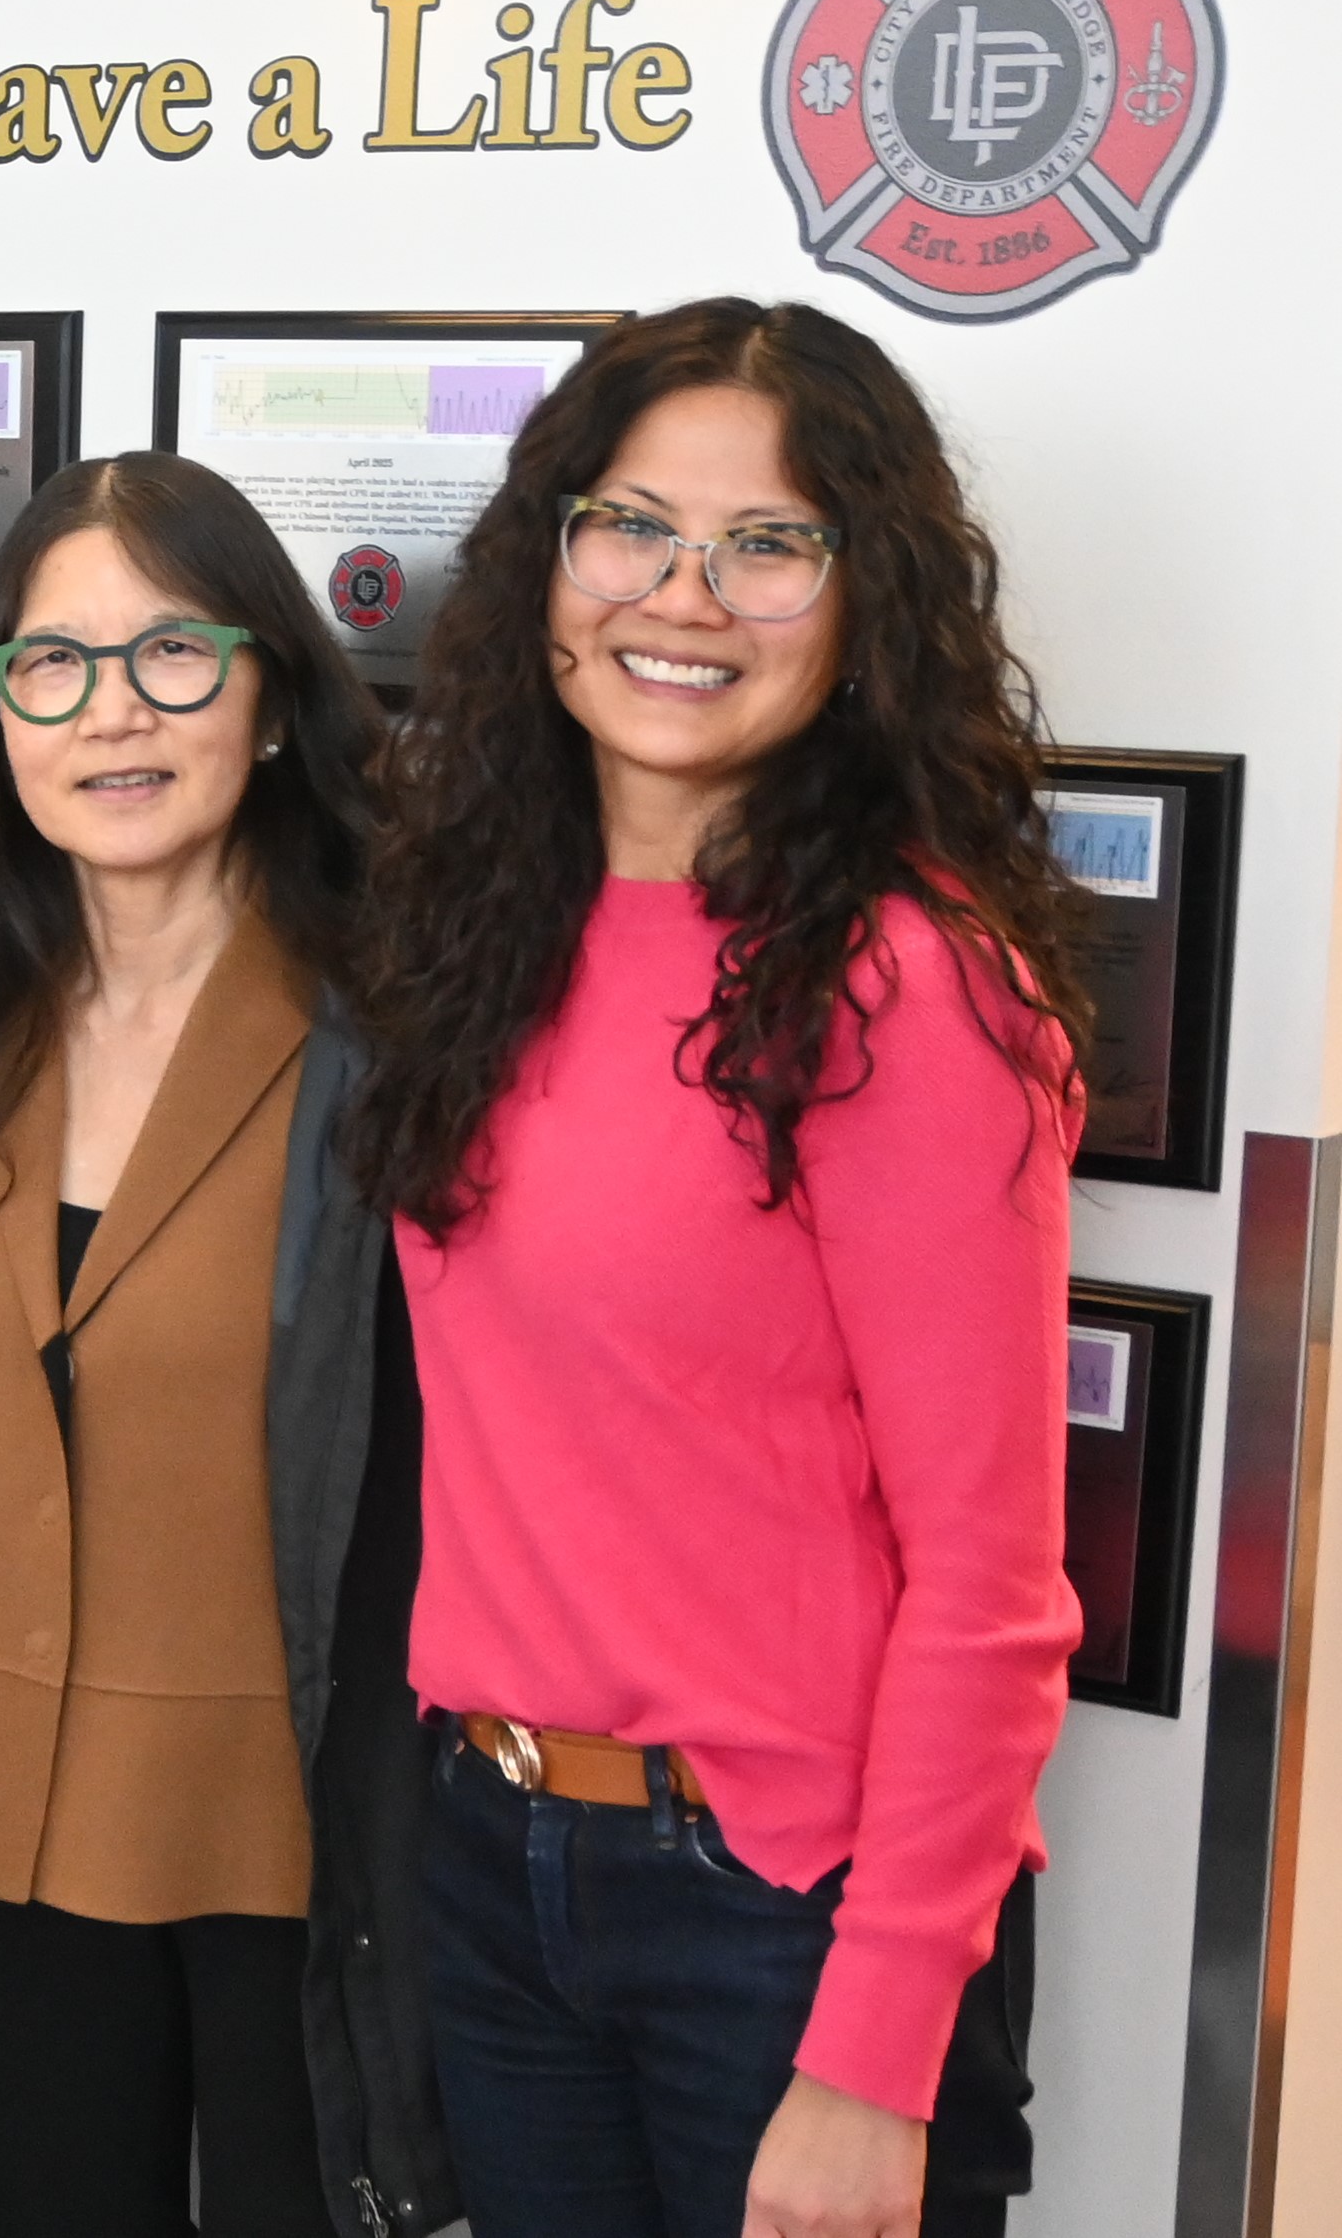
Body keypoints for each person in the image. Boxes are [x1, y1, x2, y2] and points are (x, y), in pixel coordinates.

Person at [345, 299, 1082, 2238]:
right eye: (632, 525)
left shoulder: (902, 988)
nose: (686, 593)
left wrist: (870, 2058)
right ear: (548, 557)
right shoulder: (486, 926)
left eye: (770, 541)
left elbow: (991, 1594)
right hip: (494, 1855)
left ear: (864, 599)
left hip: (775, 1910)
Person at [0, 453, 456, 2236]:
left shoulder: (396, 1027)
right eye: (52, 667)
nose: (111, 715)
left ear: (277, 697)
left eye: (172, 657)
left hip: (289, 1822)